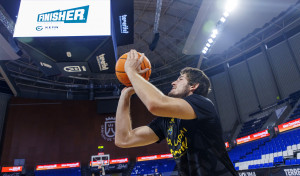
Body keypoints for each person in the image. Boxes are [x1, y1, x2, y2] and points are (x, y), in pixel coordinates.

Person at [115, 50, 237, 176]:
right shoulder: (166, 120)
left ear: (193, 86)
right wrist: (125, 96)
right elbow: (123, 139)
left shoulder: (202, 104)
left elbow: (155, 104)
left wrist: (131, 72)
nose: (173, 82)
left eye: (180, 79)